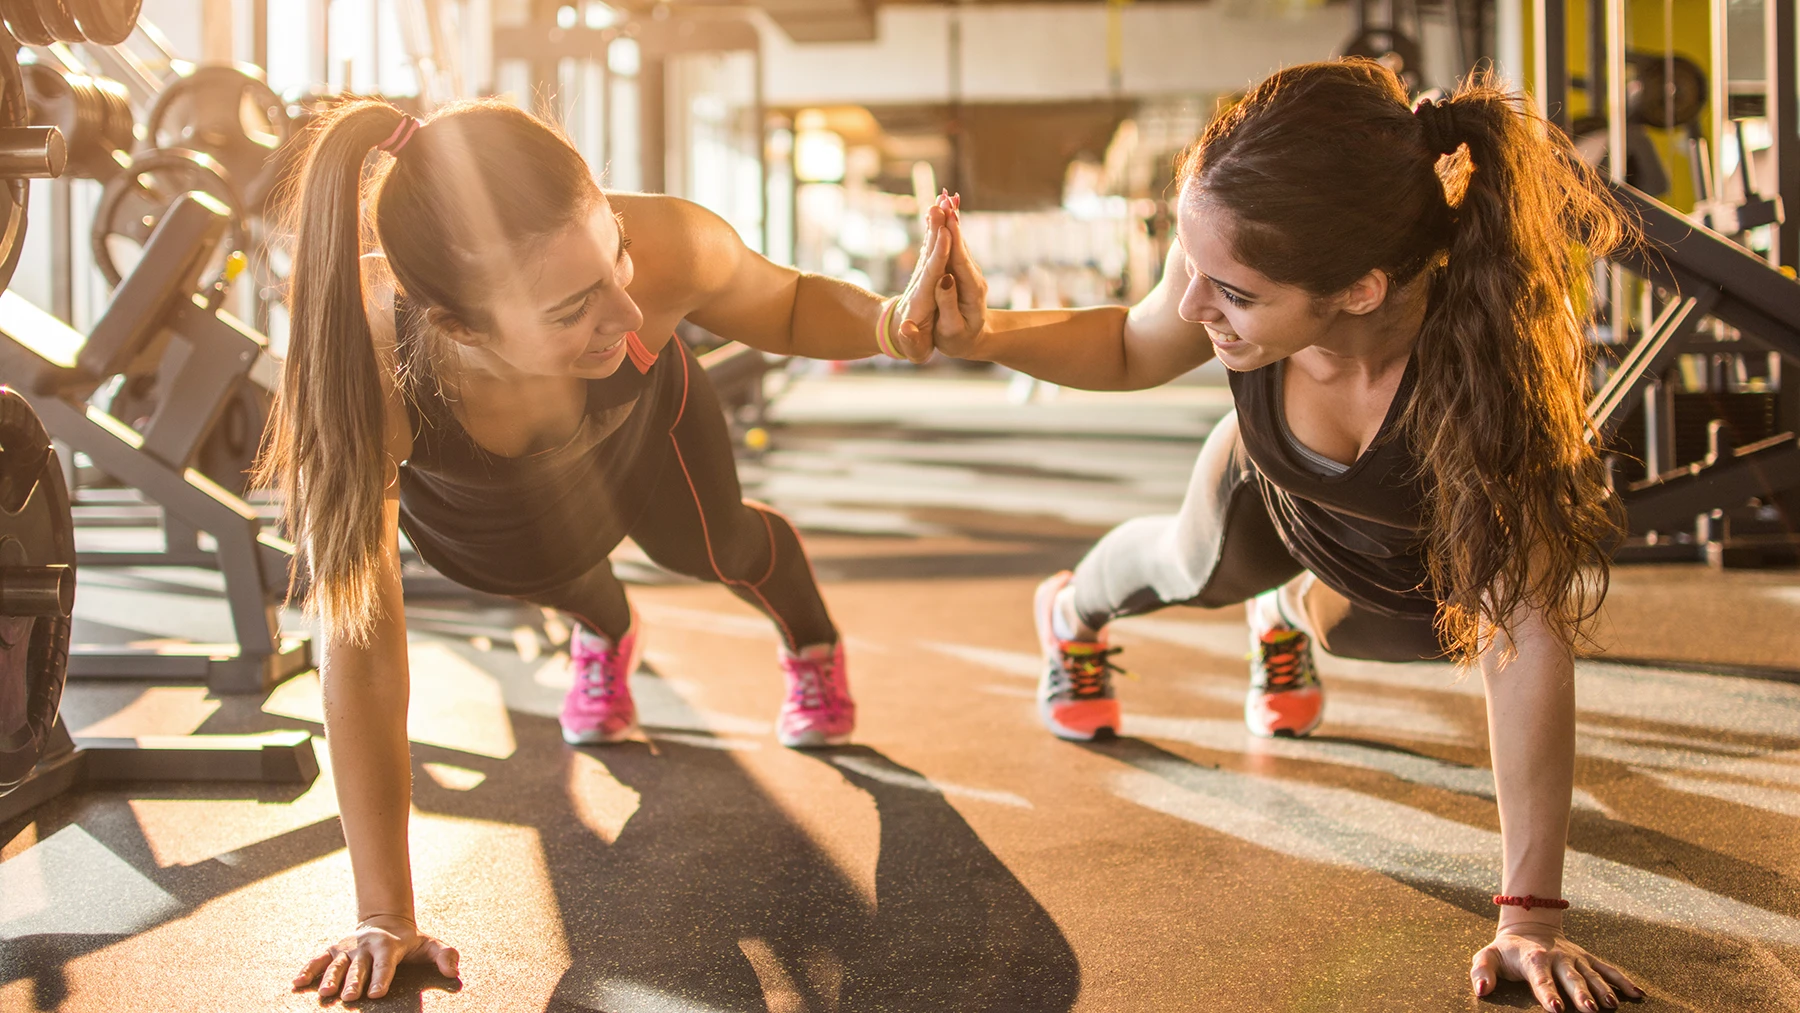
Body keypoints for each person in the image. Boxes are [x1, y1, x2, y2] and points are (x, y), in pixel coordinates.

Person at [923, 62, 1644, 1012]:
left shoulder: (1485, 387)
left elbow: (1529, 633)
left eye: (1230, 292)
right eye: (1194, 269)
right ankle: (1071, 609)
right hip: (1272, 489)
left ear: (1359, 289)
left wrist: (1529, 920)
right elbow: (1134, 344)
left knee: (1386, 635)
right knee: (1190, 563)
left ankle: (1293, 611)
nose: (1193, 306)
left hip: (1406, 561)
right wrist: (982, 336)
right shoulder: (1235, 251)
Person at [263, 98, 952, 1002]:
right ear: (460, 327)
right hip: (487, 514)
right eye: (572, 306)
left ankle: (811, 642)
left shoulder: (662, 250)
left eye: (614, 250)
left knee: (717, 545)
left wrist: (892, 323)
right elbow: (358, 641)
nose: (627, 307)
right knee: (541, 573)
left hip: (643, 436)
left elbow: (782, 303)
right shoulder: (360, 354)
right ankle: (606, 631)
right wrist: (384, 909)